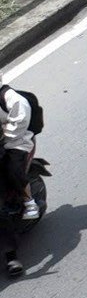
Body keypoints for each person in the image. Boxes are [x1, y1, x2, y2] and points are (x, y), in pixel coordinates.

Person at [0, 82, 33, 222]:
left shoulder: (8, 96)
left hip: (16, 140)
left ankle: (30, 203)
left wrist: (4, 135)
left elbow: (21, 118)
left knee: (12, 168)